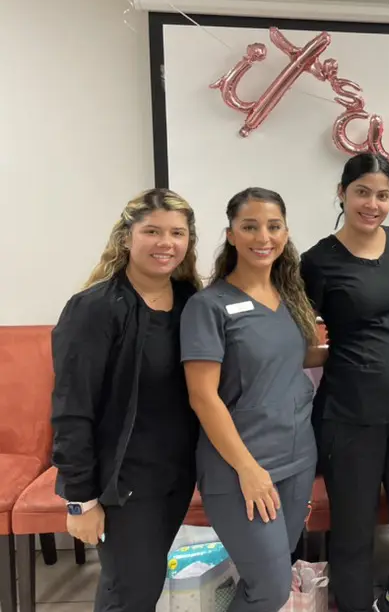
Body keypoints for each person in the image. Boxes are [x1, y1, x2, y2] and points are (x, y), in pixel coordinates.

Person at [300, 153, 389, 612]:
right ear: (342, 193)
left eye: (383, 195)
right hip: (350, 415)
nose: (373, 204)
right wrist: (336, 353)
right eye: (362, 192)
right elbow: (299, 337)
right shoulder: (318, 261)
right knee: (354, 532)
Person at [50, 188, 202, 612]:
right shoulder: (94, 309)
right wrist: (81, 499)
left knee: (143, 586)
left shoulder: (193, 302)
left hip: (175, 476)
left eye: (177, 232)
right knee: (130, 593)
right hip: (124, 485)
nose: (165, 243)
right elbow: (70, 410)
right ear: (126, 237)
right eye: (151, 231)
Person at [181, 187, 324, 612]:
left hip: (297, 459)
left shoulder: (289, 298)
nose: (263, 237)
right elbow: (203, 397)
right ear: (230, 235)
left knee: (274, 574)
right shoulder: (209, 306)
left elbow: (293, 358)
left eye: (273, 226)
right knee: (270, 588)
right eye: (250, 226)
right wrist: (248, 470)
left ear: (286, 232)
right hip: (242, 469)